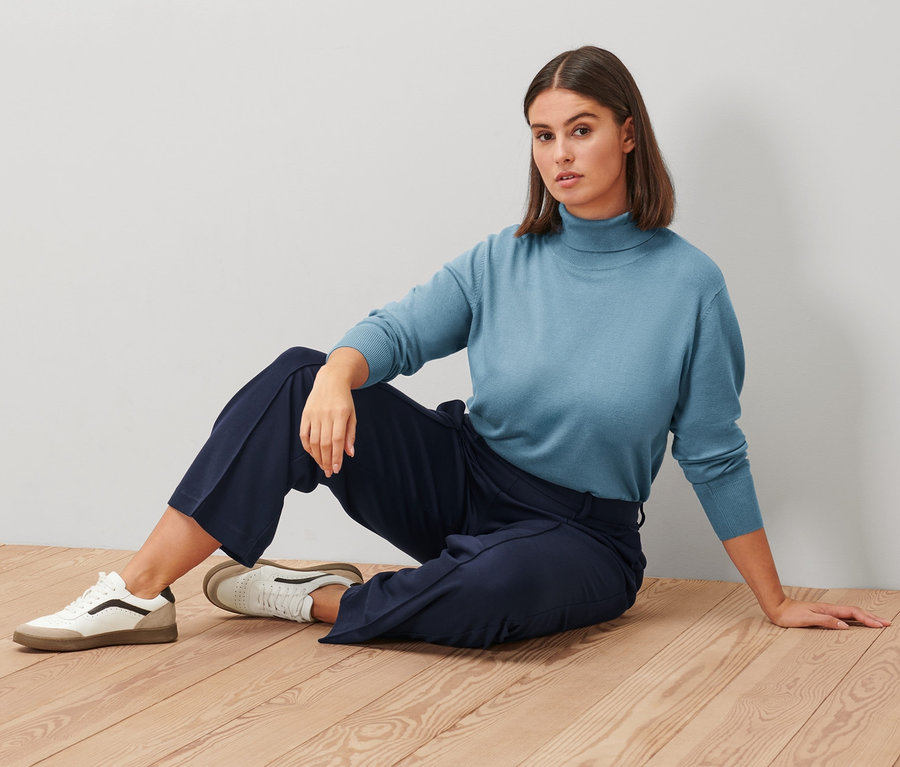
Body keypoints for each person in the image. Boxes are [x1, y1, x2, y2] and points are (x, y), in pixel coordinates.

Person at [14, 46, 889, 653]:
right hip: (466, 479)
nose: (559, 154)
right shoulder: (502, 257)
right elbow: (395, 332)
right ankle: (135, 591)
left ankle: (306, 597)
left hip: (578, 534)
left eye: (580, 129)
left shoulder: (690, 285)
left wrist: (774, 602)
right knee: (296, 374)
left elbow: (712, 451)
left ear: (629, 133)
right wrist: (336, 374)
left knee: (499, 589)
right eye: (543, 135)